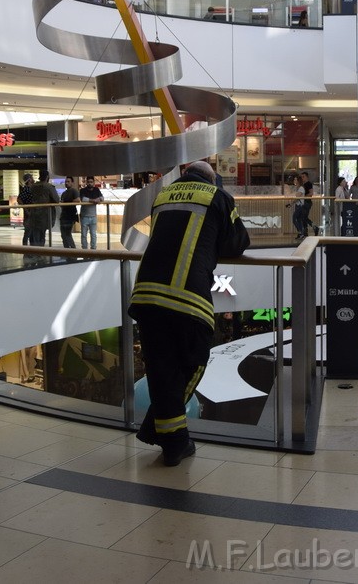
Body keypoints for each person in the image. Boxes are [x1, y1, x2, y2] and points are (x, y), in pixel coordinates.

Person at [130, 161, 250, 466]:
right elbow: (238, 243)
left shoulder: (163, 195)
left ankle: (173, 442)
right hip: (186, 297)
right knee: (192, 362)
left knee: (159, 368)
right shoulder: (217, 197)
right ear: (213, 179)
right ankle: (166, 436)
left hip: (145, 294)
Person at [24, 171, 59, 248]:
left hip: (34, 214)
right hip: (45, 214)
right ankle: (40, 252)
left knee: (35, 234)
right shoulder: (49, 187)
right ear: (47, 177)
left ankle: (36, 251)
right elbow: (56, 200)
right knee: (41, 235)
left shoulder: (33, 186)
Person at [79, 176, 103, 250]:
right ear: (86, 182)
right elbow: (82, 199)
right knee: (83, 234)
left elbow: (102, 198)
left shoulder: (96, 189)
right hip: (84, 216)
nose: (90, 183)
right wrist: (93, 200)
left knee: (93, 234)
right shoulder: (83, 190)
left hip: (93, 216)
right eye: (88, 182)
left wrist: (98, 199)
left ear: (94, 182)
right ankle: (84, 250)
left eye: (91, 182)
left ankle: (93, 249)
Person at [59, 176, 79, 249]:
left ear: (72, 183)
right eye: (66, 182)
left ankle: (72, 249)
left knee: (67, 233)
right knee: (63, 234)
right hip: (64, 215)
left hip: (70, 216)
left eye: (68, 181)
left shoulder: (74, 191)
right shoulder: (64, 193)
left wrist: (67, 202)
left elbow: (77, 200)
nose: (66, 183)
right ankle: (66, 249)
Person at [17, 173, 34, 245]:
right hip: (29, 213)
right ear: (29, 179)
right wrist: (26, 209)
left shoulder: (32, 188)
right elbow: (19, 199)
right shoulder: (26, 189)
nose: (33, 179)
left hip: (32, 212)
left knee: (31, 232)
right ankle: (25, 248)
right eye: (32, 178)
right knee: (28, 231)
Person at [300, 171, 319, 236]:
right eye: (301, 177)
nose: (302, 178)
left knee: (304, 217)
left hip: (307, 202)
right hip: (304, 202)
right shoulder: (303, 185)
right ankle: (306, 231)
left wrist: (304, 197)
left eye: (303, 177)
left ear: (307, 177)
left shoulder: (308, 184)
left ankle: (314, 227)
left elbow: (311, 193)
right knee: (303, 217)